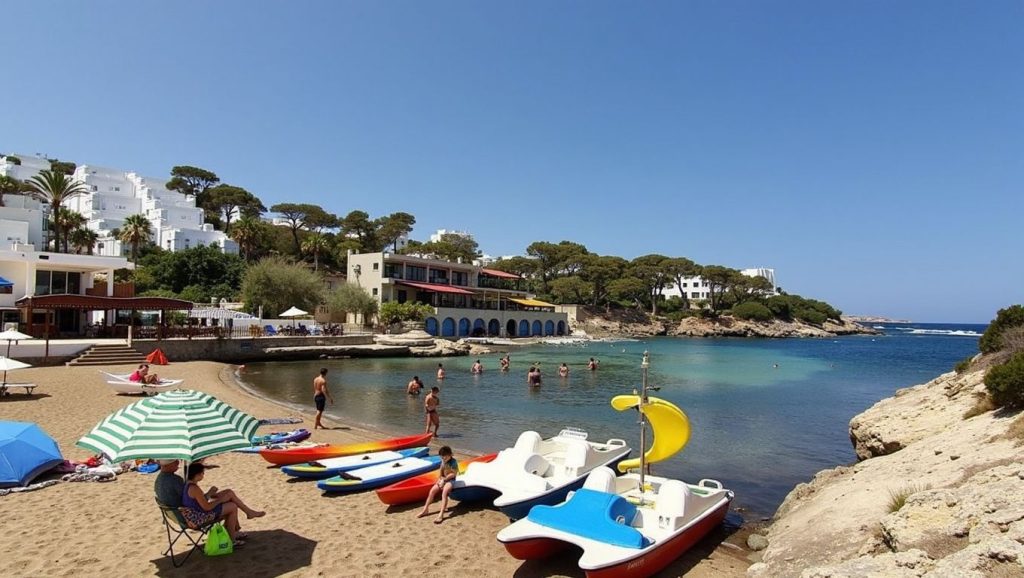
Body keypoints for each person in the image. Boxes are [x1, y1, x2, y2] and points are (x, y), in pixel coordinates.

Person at [181, 462, 265, 546]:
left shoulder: (188, 485)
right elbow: (206, 507)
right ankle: (232, 539)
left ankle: (247, 514)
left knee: (229, 492)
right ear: (197, 474)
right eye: (203, 473)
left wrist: (209, 494)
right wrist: (220, 500)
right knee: (232, 506)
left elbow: (197, 502)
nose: (203, 475)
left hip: (197, 513)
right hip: (200, 517)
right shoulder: (194, 488)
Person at [417, 445, 459, 524]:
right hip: (443, 479)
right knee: (432, 491)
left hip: (451, 480)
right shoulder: (443, 461)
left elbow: (453, 474)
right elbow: (440, 472)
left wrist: (444, 480)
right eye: (442, 457)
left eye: (445, 457)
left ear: (450, 455)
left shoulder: (454, 462)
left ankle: (441, 514)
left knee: (444, 492)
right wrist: (439, 480)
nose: (443, 459)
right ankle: (425, 510)